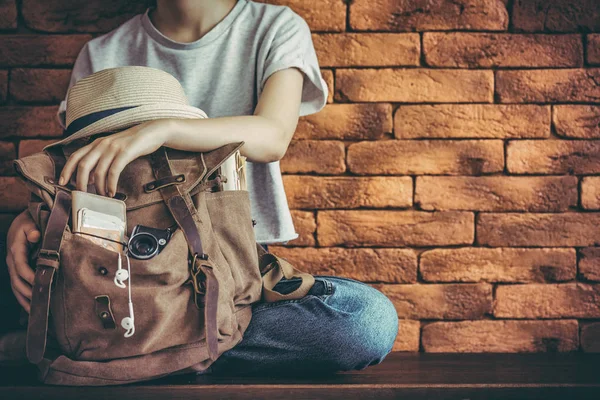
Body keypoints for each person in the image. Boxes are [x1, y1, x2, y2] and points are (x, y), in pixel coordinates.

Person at [4, 0, 399, 376]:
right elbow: (78, 175)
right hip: (131, 278)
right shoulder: (104, 52)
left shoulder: (274, 28)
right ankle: (186, 343)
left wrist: (161, 131)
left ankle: (136, 352)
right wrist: (30, 218)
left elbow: (273, 136)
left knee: (367, 320)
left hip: (233, 267)